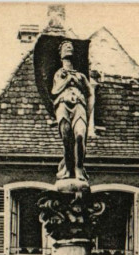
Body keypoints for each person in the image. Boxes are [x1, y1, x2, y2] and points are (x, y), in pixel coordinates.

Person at [51, 40, 93, 181]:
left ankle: (79, 168)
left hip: (79, 106)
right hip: (63, 105)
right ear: (60, 54)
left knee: (80, 135)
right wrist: (67, 79)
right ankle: (68, 169)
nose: (69, 48)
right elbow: (55, 90)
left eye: (71, 47)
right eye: (65, 47)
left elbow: (90, 93)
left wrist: (88, 111)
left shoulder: (80, 76)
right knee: (66, 138)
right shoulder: (58, 74)